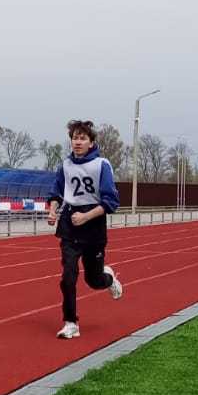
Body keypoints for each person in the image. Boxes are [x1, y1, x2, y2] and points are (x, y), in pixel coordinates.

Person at [46, 119, 123, 339]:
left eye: (82, 138)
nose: (77, 142)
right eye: (74, 138)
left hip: (93, 226)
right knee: (67, 277)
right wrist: (53, 211)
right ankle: (71, 322)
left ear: (91, 142)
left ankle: (108, 279)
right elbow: (56, 193)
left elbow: (111, 202)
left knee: (93, 280)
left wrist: (87, 216)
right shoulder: (65, 166)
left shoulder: (101, 165)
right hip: (70, 226)